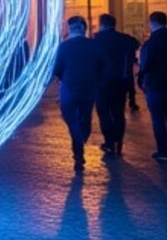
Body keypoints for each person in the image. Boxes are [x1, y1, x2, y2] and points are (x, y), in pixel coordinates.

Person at [50, 16, 102, 171]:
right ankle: (81, 139)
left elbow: (57, 68)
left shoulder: (64, 47)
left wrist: (60, 78)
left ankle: (78, 150)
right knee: (85, 116)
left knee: (71, 118)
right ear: (84, 29)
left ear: (70, 29)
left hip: (69, 88)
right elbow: (101, 65)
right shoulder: (94, 46)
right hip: (88, 88)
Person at [89, 14, 138, 159]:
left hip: (102, 82)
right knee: (118, 112)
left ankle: (109, 142)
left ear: (101, 24)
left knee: (104, 113)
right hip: (121, 80)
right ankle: (118, 140)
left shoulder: (96, 40)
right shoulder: (125, 39)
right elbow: (135, 45)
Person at [137, 12, 167, 163]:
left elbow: (145, 64)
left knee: (158, 118)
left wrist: (141, 78)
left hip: (154, 84)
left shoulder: (150, 43)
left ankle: (162, 150)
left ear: (151, 23)